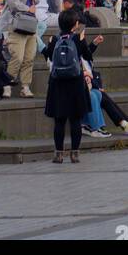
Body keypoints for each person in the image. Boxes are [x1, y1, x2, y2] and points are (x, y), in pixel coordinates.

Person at [43, 10, 91, 163]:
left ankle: (58, 154)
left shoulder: (54, 38)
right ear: (75, 24)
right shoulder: (78, 38)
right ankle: (75, 153)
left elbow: (50, 56)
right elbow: (87, 55)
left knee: (59, 120)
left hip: (57, 83)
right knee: (75, 120)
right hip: (75, 82)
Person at [1, 0, 38, 97]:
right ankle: (8, 83)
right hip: (17, 23)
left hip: (30, 24)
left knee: (29, 57)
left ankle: (25, 86)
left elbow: (35, 1)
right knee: (17, 56)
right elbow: (12, 2)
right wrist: (28, 8)